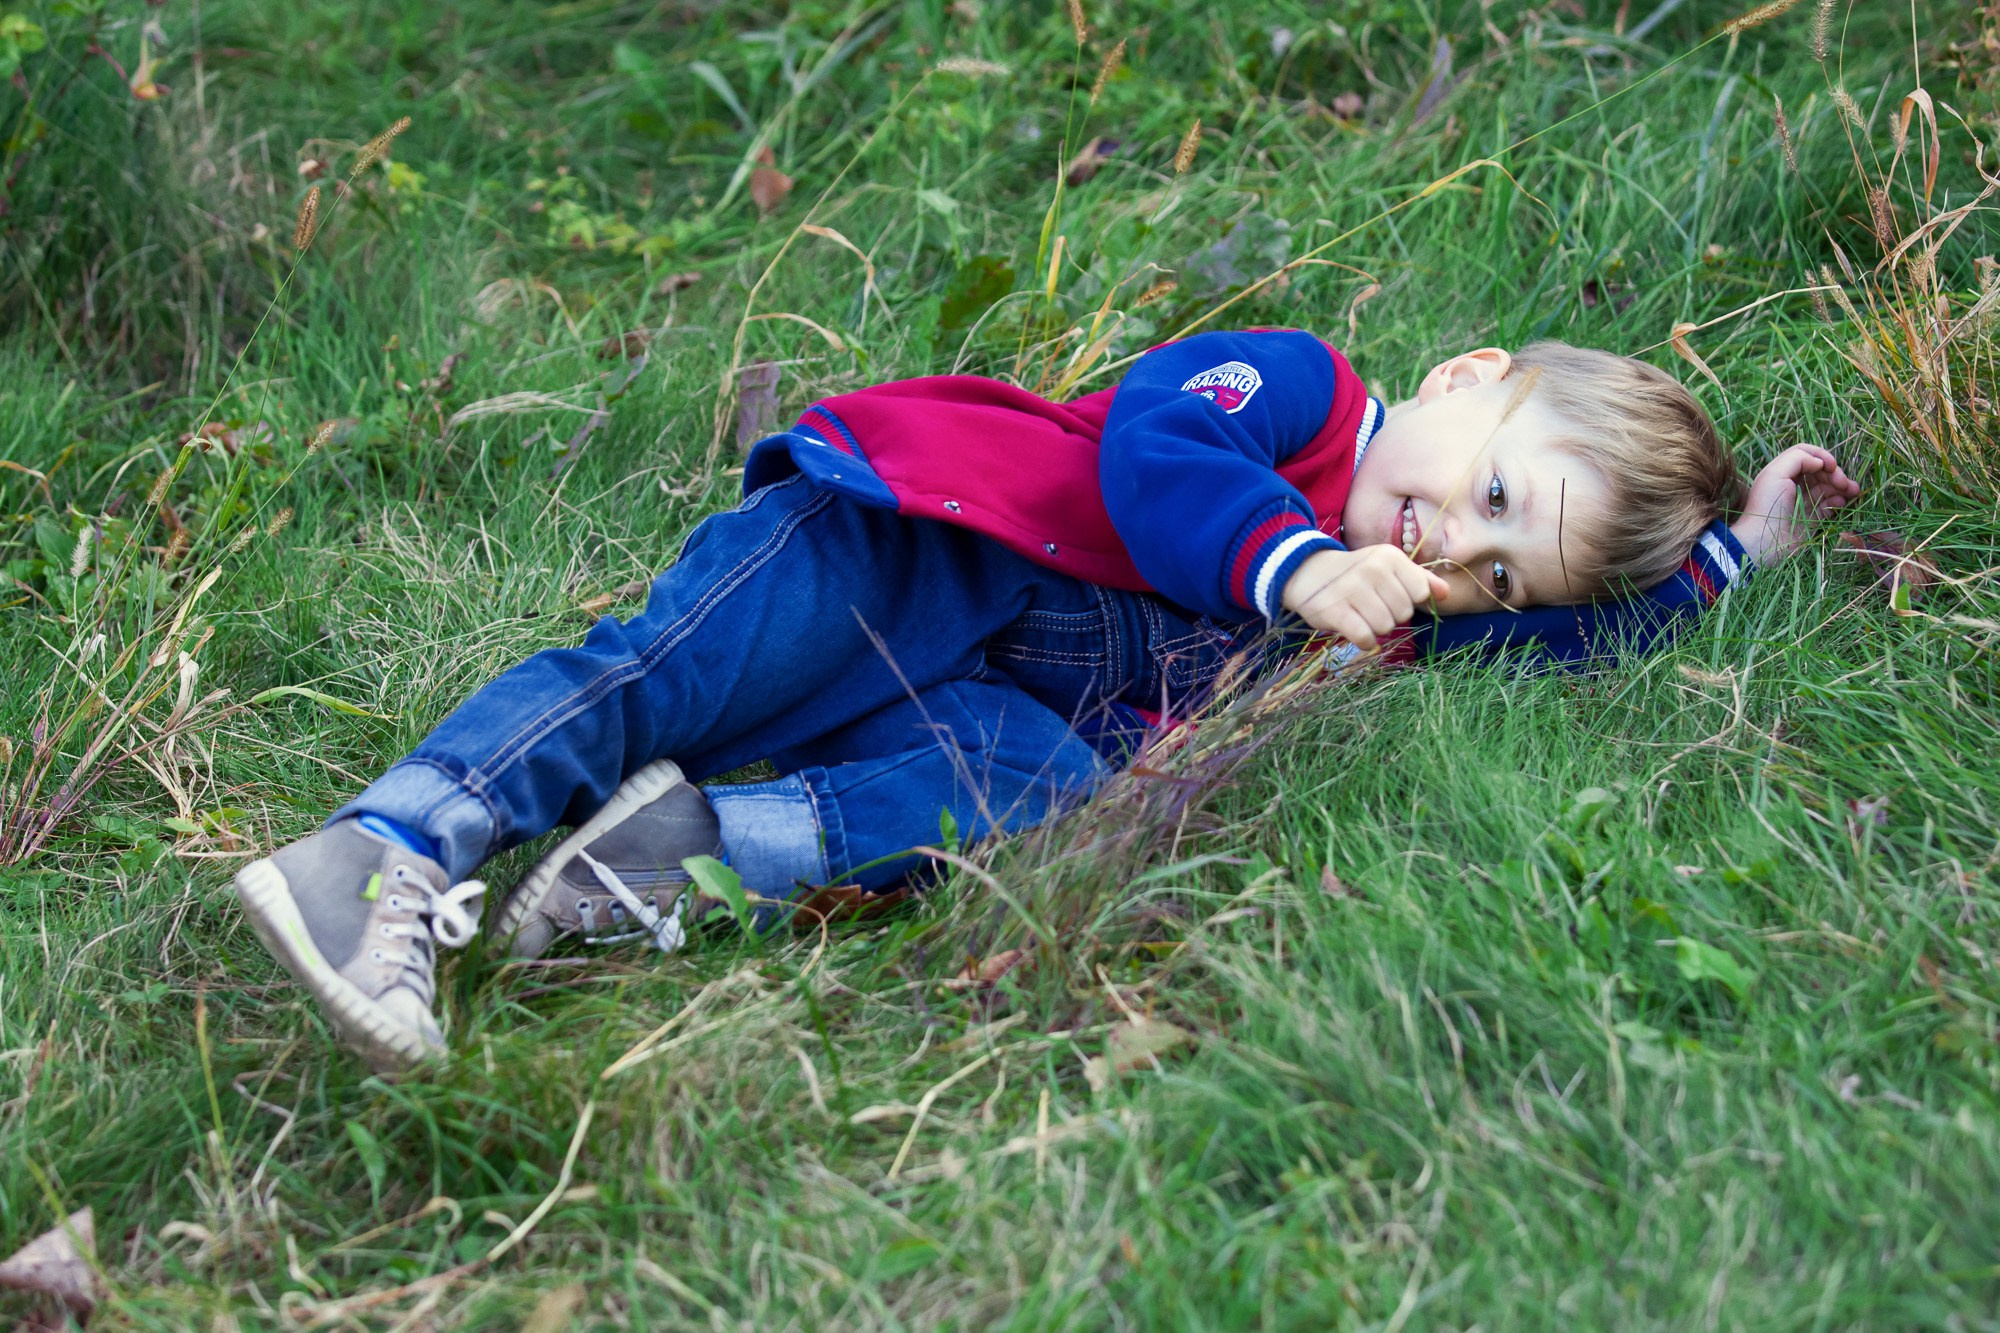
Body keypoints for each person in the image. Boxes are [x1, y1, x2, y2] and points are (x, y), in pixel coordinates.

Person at [231, 329, 1859, 1071]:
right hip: (903, 555)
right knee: (661, 672)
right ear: (1463, 381)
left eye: (1502, 566)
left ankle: (685, 856)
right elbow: (1156, 442)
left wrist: (1738, 555)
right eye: (1491, 494)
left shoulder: (1412, 613)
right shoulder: (1303, 397)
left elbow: (1566, 644)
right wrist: (1291, 569)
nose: (1459, 549)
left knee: (1046, 793)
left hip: (967, 703)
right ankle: (384, 848)